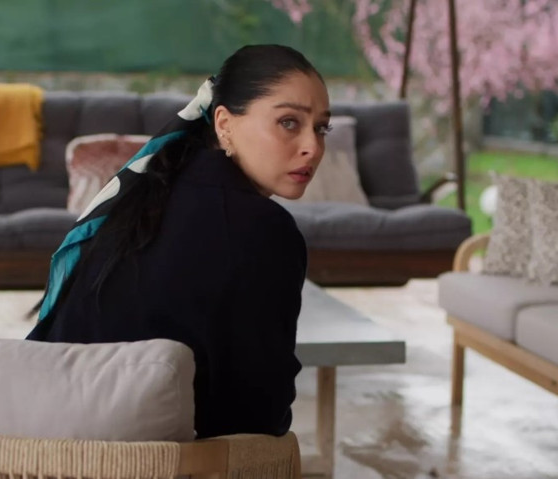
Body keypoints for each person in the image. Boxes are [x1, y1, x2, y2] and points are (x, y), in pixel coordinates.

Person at [27, 44, 331, 439]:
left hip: (51, 438)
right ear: (224, 124)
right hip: (148, 457)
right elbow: (261, 411)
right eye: (289, 122)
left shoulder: (145, 194)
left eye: (321, 128)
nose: (313, 147)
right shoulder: (265, 228)